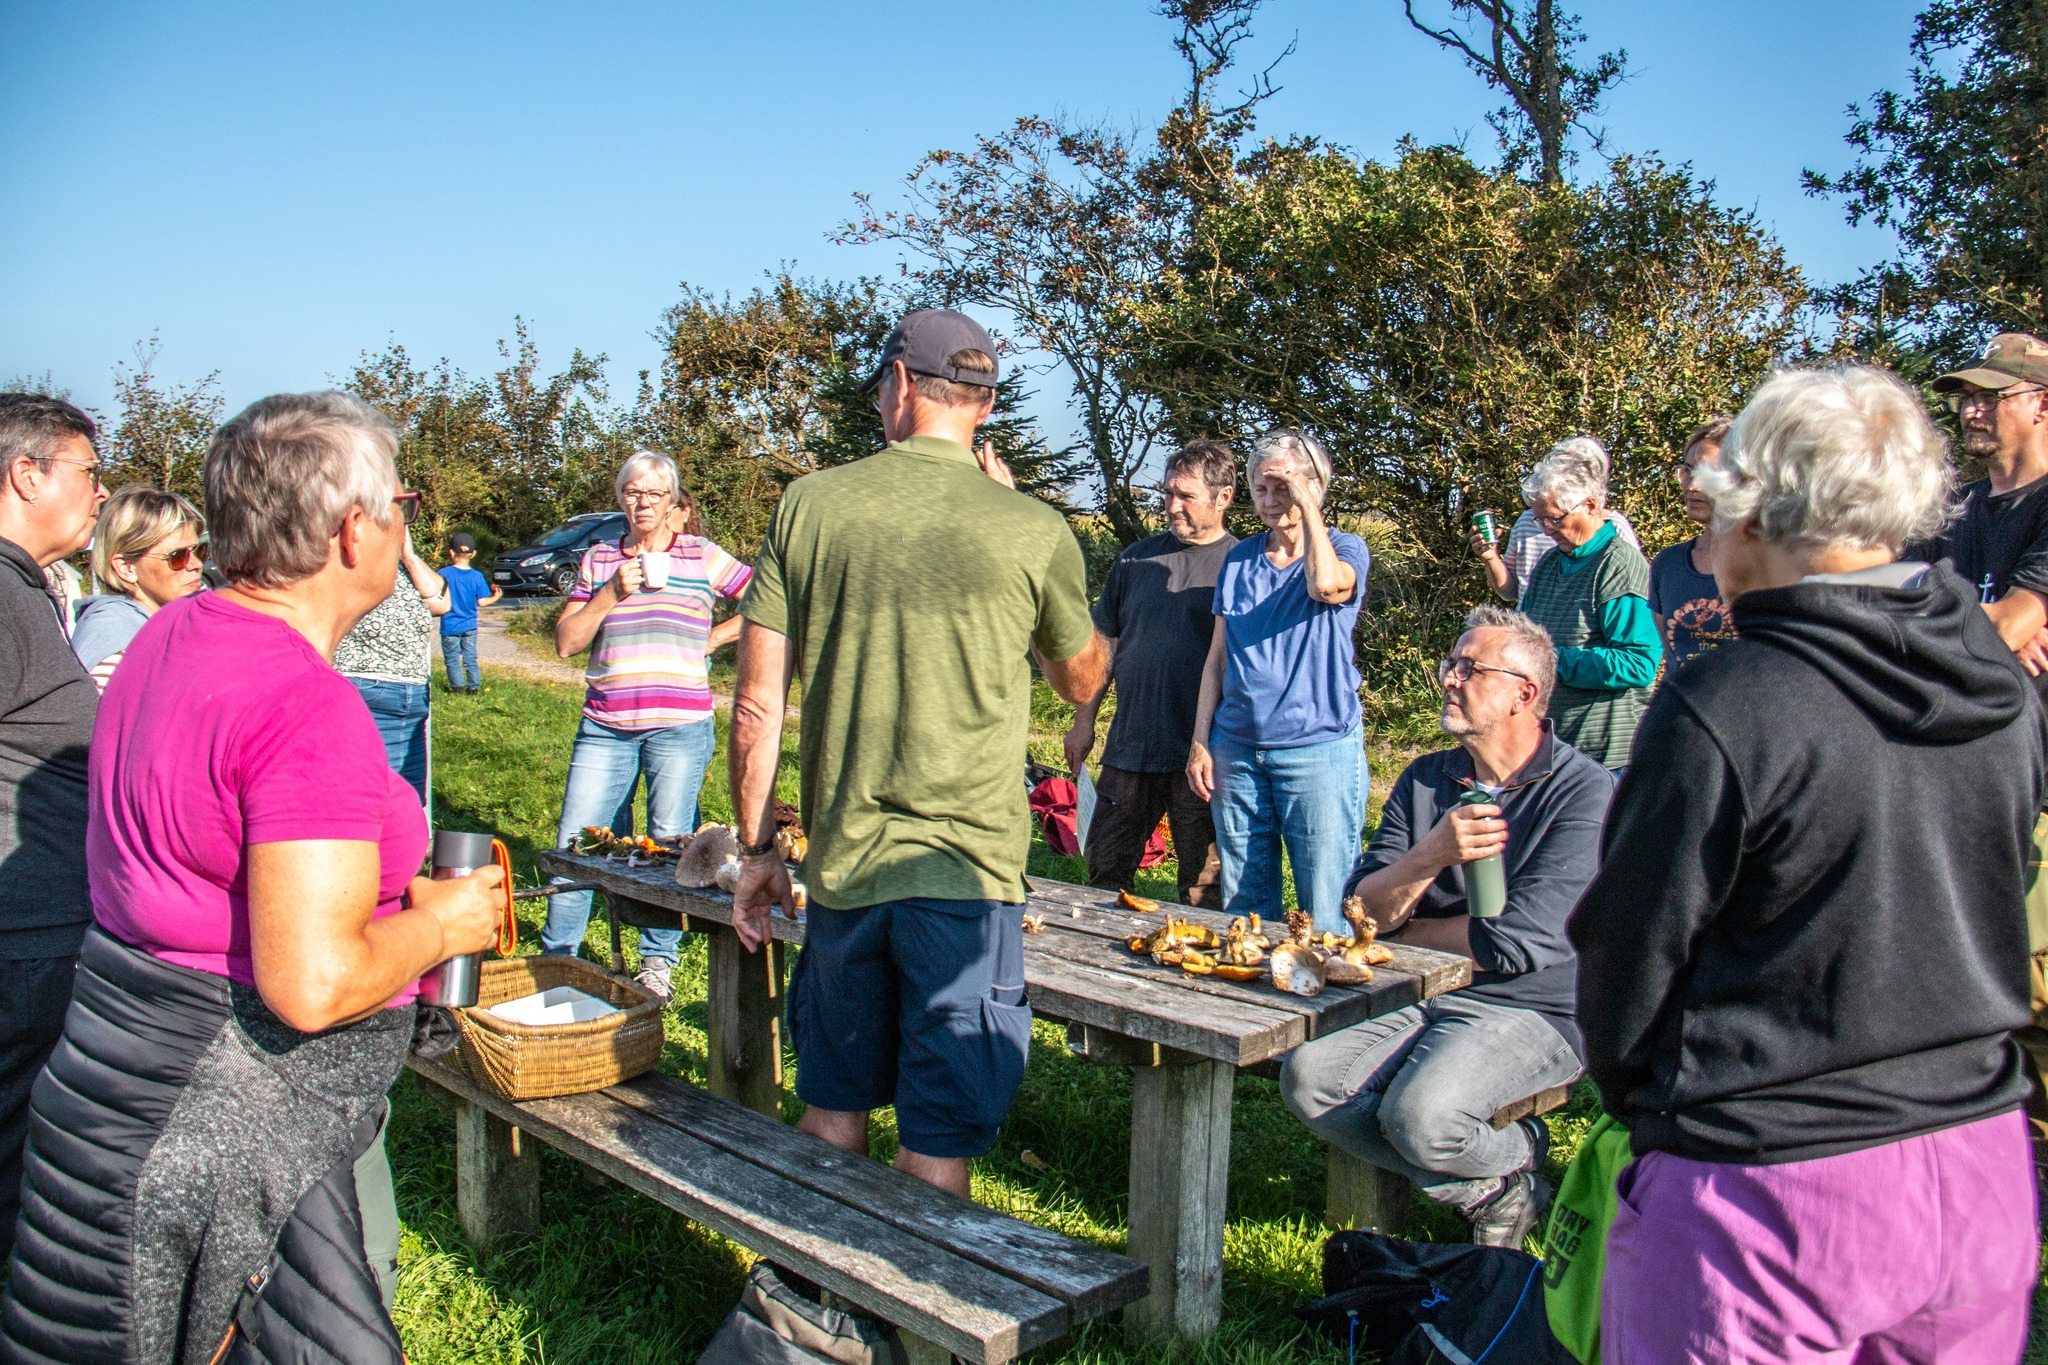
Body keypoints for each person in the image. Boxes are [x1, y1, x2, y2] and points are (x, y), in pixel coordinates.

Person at [0, 391, 503, 1362]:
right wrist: (442, 925)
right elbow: (310, 984)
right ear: (354, 531)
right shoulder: (302, 704)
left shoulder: (170, 636)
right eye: (397, 505)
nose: (404, 527)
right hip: (220, 1135)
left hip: (112, 1086)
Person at [1572, 365, 2043, 1363]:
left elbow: (1627, 943)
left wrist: (1648, 1112)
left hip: (1769, 1180)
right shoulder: (1997, 689)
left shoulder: (1729, 702)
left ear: (1752, 514)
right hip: (1977, 1166)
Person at [727, 308, 1107, 1198]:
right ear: (983, 404)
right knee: (938, 1139)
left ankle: (816, 1309)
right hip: (968, 876)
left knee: (831, 1114)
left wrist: (756, 850)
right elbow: (1079, 679)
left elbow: (754, 706)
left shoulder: (809, 504)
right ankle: (907, 1320)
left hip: (845, 867)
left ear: (901, 384)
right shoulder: (1033, 527)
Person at [1281, 606, 1606, 1248]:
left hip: (1535, 1009)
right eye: (1448, 664)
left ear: (1524, 694)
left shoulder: (1583, 793)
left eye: (1469, 667)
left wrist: (1403, 935)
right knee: (1309, 1077)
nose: (1449, 679)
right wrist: (1431, 855)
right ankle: (1500, 1180)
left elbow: (1516, 944)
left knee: (1422, 1116)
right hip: (1420, 992)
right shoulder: (1428, 778)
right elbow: (1362, 912)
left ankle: (1496, 1158)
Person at [542, 453, 751, 1001]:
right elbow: (567, 643)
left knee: (669, 844)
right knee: (576, 840)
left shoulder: (700, 554)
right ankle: (556, 959)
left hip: (679, 727)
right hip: (606, 724)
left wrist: (713, 638)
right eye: (632, 492)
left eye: (654, 494)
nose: (642, 503)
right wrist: (612, 593)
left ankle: (656, 963)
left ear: (672, 501)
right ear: (620, 499)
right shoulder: (600, 559)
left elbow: (764, 600)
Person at [1187, 429, 1370, 935]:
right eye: (1261, 489)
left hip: (1319, 750)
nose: (1269, 501)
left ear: (1314, 489)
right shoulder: (1241, 558)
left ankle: (1336, 1009)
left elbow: (1326, 586)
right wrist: (1202, 742)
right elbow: (1216, 659)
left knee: (1329, 904)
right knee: (1246, 905)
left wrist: (1307, 508)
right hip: (1239, 749)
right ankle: (1254, 1007)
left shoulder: (1344, 549)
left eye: (1282, 488)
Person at [0, 394, 105, 1267]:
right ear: (26, 473)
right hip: (20, 936)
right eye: (88, 471)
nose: (100, 493)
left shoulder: (26, 590)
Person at [1063, 440, 1237, 907]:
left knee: (1203, 887)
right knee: (1105, 865)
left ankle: (1200, 976)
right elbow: (1104, 647)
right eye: (1167, 494)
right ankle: (1098, 969)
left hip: (1200, 755)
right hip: (1130, 746)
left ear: (1224, 497)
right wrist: (1084, 723)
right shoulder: (1135, 560)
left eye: (1186, 496)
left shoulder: (1241, 566)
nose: (1171, 506)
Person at [1512, 444, 1659, 771]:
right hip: (1551, 748)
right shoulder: (1550, 564)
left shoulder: (1618, 565)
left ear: (1590, 506)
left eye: (1553, 519)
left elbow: (1638, 662)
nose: (1547, 531)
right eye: (1540, 522)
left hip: (1604, 759)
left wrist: (1552, 661)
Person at [332, 527, 451, 805]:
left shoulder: (404, 570)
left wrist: (408, 556)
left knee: (406, 805)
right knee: (367, 801)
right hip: (365, 691)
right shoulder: (342, 567)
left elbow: (442, 603)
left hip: (411, 701)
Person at [72, 484, 208, 694]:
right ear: (126, 568)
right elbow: (93, 723)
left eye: (200, 550)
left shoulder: (155, 625)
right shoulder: (115, 637)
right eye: (179, 556)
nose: (196, 564)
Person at [1471, 437, 1641, 602]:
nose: (1547, 530)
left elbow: (1631, 589)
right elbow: (1510, 592)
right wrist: (1491, 558)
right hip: (1528, 627)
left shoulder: (1613, 527)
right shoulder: (1527, 522)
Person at [1647, 417, 1737, 675]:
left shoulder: (1768, 563)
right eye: (1688, 471)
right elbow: (1673, 660)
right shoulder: (1668, 565)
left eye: (1708, 473)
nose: (1692, 485)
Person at [438, 531, 499, 694]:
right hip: (470, 626)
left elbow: (436, 596)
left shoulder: (443, 574)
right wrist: (496, 596)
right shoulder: (477, 576)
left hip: (449, 625)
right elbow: (482, 602)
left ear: (451, 552)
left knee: (452, 659)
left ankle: (456, 689)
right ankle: (473, 688)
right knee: (470, 658)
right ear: (473, 554)